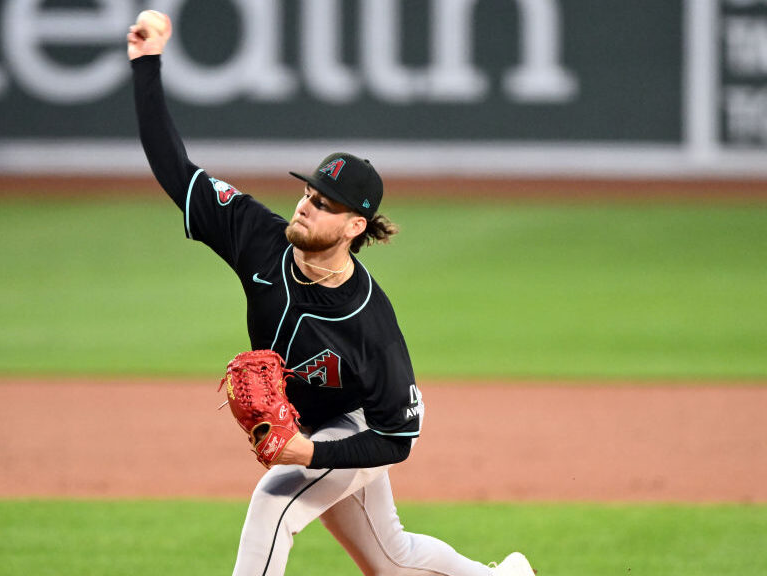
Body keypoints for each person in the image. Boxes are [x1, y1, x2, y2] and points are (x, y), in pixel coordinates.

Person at [127, 10, 537, 576]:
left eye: (324, 203)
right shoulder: (258, 237)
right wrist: (147, 63)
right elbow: (177, 170)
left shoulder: (371, 322)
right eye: (309, 192)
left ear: (353, 228)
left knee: (274, 503)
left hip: (357, 428)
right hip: (313, 426)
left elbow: (397, 438)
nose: (305, 204)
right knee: (391, 561)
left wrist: (310, 453)